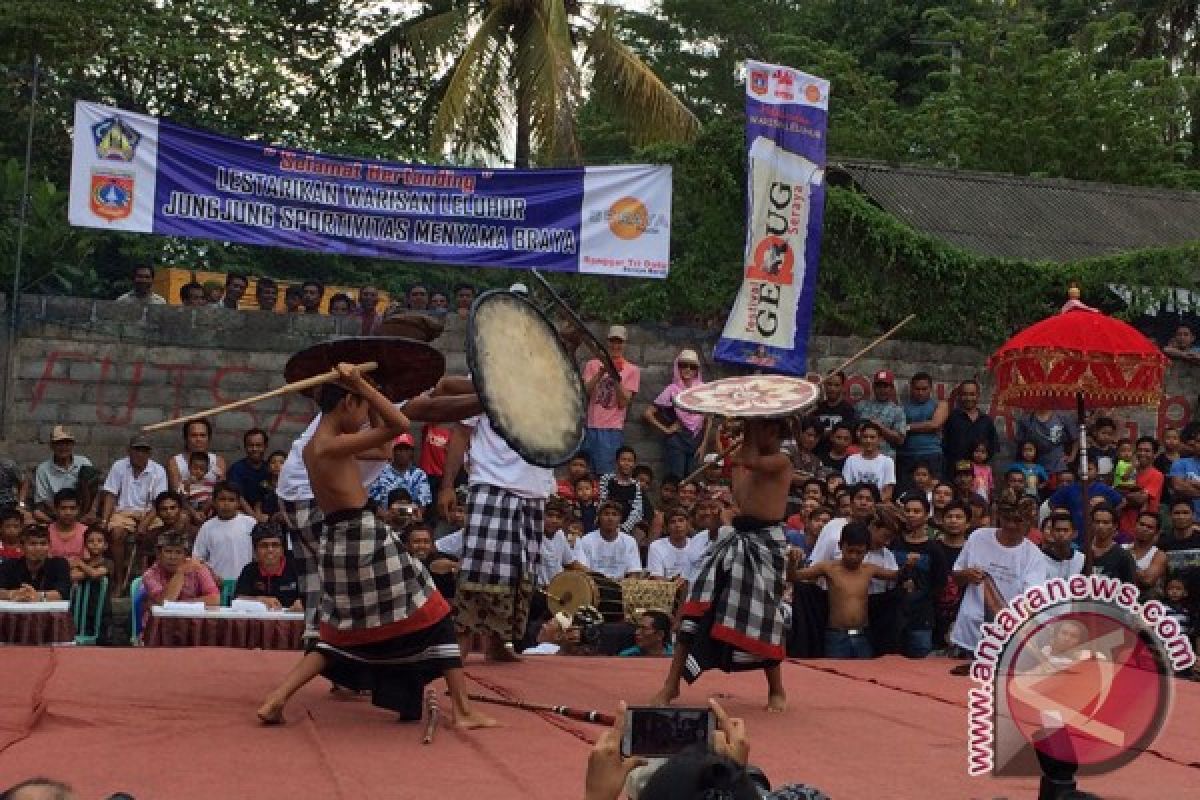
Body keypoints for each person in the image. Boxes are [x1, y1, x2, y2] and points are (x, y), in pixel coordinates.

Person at [257, 364, 495, 728]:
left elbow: (385, 446)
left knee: (335, 632)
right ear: (347, 403)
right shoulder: (332, 445)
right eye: (361, 407)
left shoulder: (312, 448)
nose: (366, 415)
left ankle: (277, 698)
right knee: (436, 609)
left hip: (338, 542)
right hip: (363, 536)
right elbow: (400, 427)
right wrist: (362, 386)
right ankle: (463, 711)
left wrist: (363, 390)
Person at [651, 417, 793, 712]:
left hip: (766, 543)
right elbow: (742, 495)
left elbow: (753, 460)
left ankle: (776, 689)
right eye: (759, 427)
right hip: (737, 538)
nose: (760, 433)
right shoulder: (743, 463)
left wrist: (747, 431)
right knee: (697, 609)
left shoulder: (781, 461)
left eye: (765, 427)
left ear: (777, 432)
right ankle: (671, 684)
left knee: (764, 615)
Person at [949, 489, 1048, 666]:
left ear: (1028, 523)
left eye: (1018, 521)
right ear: (999, 516)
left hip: (1003, 639)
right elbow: (956, 576)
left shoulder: (1033, 556)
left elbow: (1031, 601)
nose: (1011, 525)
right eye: (1007, 519)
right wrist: (967, 575)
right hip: (969, 632)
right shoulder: (978, 537)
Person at [789, 522, 904, 659]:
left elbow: (896, 576)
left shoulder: (869, 569)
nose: (854, 556)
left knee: (864, 676)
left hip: (863, 635)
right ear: (840, 546)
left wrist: (909, 565)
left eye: (859, 552)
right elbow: (794, 577)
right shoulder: (828, 568)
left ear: (867, 550)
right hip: (836, 636)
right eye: (850, 551)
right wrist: (792, 561)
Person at [97, 436, 169, 592]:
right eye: (137, 450)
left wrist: (144, 524)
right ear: (129, 451)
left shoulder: (158, 470)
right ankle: (119, 580)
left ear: (149, 453)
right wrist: (104, 520)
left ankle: (153, 582)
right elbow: (110, 494)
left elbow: (159, 502)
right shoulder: (119, 466)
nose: (140, 454)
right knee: (116, 534)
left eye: (144, 450)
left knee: (156, 535)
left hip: (151, 511)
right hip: (124, 511)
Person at [890, 494, 950, 658]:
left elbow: (940, 582)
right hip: (893, 615)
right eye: (908, 510)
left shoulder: (935, 549)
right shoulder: (893, 543)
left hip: (922, 617)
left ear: (926, 515)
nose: (911, 514)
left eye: (916, 511)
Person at [582, 325, 640, 475]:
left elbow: (623, 402)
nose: (616, 345)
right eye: (613, 341)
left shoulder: (632, 370)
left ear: (625, 344)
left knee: (606, 473)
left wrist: (615, 376)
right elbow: (585, 392)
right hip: (591, 425)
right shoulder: (592, 364)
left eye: (619, 342)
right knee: (586, 472)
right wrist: (601, 372)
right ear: (607, 342)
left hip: (612, 428)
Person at [644, 349, 707, 479]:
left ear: (697, 370)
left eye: (692, 366)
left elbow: (709, 417)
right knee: (676, 479)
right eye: (684, 365)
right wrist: (666, 430)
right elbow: (648, 413)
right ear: (678, 367)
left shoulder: (702, 389)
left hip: (696, 439)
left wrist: (703, 444)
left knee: (692, 480)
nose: (688, 369)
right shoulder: (672, 390)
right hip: (677, 439)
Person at [140, 531, 221, 625]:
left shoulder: (198, 568)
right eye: (168, 551)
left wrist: (179, 605)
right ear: (159, 554)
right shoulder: (150, 575)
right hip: (159, 626)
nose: (172, 557)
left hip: (193, 624)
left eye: (178, 552)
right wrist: (180, 573)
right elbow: (165, 603)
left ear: (185, 556)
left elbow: (214, 600)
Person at [191, 483, 256, 581]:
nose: (226, 504)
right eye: (222, 499)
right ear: (214, 502)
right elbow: (197, 558)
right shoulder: (207, 527)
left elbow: (258, 553)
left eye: (231, 500)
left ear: (238, 503)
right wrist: (211, 576)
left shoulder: (250, 523)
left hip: (246, 582)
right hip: (217, 583)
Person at [1047, 457, 1122, 542]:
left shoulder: (1104, 489)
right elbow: (1052, 503)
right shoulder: (1069, 489)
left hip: (1096, 533)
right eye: (1082, 468)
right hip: (1075, 533)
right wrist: (1063, 514)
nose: (1085, 471)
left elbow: (1121, 502)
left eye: (1089, 469)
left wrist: (1108, 510)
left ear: (1097, 471)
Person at [32, 426, 93, 523]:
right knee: (37, 513)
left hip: (80, 510)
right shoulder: (43, 469)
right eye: (59, 443)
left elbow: (92, 490)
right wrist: (64, 515)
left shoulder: (84, 462)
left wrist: (82, 513)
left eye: (67, 443)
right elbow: (44, 499)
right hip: (56, 511)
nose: (64, 447)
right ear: (51, 446)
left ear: (73, 445)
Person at [234, 523, 301, 610]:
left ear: (282, 549)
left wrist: (303, 602)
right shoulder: (249, 570)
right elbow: (237, 600)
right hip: (258, 622)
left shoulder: (297, 568)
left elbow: (314, 596)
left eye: (275, 545)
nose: (270, 550)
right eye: (264, 546)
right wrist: (260, 600)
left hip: (292, 621)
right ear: (255, 550)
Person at [899, 371, 948, 487]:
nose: (920, 392)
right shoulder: (902, 407)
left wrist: (908, 427)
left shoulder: (940, 405)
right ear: (911, 389)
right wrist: (926, 426)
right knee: (906, 490)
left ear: (931, 389)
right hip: (907, 455)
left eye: (924, 389)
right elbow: (898, 429)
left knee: (932, 490)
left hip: (931, 454)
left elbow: (935, 424)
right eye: (917, 389)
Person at [942, 379, 998, 478]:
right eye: (965, 394)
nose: (968, 398)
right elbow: (945, 446)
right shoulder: (952, 419)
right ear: (959, 396)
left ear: (978, 396)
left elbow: (993, 447)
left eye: (972, 394)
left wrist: (980, 464)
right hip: (956, 474)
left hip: (980, 475)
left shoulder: (986, 421)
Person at [0, 527, 71, 602]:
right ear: (21, 547)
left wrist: (39, 596)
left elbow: (63, 593)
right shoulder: (8, 565)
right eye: (32, 544)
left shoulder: (59, 564)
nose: (38, 548)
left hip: (49, 613)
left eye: (43, 544)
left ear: (49, 546)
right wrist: (12, 594)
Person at [577, 501, 643, 579]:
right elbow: (582, 571)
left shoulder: (629, 542)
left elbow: (634, 573)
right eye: (606, 514)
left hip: (621, 586)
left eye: (614, 514)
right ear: (599, 518)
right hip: (594, 586)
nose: (610, 518)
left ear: (620, 519)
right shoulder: (586, 540)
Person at [367, 433, 432, 512]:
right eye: (399, 449)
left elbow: (422, 506)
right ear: (393, 451)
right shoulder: (380, 472)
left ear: (412, 452)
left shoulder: (420, 475)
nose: (403, 453)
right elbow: (373, 502)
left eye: (406, 449)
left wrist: (401, 513)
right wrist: (387, 515)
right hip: (384, 518)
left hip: (410, 518)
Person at [854, 370, 907, 458]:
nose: (882, 390)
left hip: (886, 457)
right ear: (874, 387)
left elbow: (900, 439)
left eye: (885, 386)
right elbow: (851, 431)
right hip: (861, 457)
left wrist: (880, 427)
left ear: (891, 388)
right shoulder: (861, 406)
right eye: (879, 386)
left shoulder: (897, 411)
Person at [166, 419, 227, 495]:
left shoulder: (218, 461)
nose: (198, 439)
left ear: (209, 438)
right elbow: (176, 492)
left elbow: (222, 491)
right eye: (193, 435)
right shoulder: (175, 462)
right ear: (186, 438)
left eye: (202, 435)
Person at [841, 422, 895, 501]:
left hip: (877, 505)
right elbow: (846, 487)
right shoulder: (851, 460)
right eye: (865, 437)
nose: (868, 440)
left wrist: (871, 504)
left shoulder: (887, 461)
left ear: (880, 439)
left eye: (872, 437)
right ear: (860, 438)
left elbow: (888, 492)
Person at [1016, 409, 1077, 479]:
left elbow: (1075, 438)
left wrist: (1072, 456)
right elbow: (1020, 442)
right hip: (1035, 464)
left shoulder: (1063, 416)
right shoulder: (1027, 419)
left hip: (1058, 463)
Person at [598, 446, 645, 535]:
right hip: (608, 521)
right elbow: (602, 502)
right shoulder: (606, 479)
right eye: (623, 460)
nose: (626, 463)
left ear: (634, 464)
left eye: (630, 461)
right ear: (617, 462)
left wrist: (624, 528)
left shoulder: (635, 484)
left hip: (627, 527)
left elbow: (637, 510)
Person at [228, 428, 271, 520]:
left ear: (265, 446)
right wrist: (254, 517)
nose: (254, 449)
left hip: (266, 515)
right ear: (245, 447)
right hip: (243, 515)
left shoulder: (269, 469)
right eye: (251, 445)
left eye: (258, 445)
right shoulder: (237, 469)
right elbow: (238, 496)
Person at [1087, 503, 1136, 583]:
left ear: (1115, 526)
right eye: (1097, 522)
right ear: (1091, 524)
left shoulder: (1124, 557)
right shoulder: (1081, 553)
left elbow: (1129, 589)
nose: (1100, 526)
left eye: (1105, 522)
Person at [1125, 511, 1168, 600]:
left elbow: (1148, 580)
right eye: (1141, 524)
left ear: (1156, 532)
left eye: (1150, 527)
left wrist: (1127, 561)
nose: (1144, 529)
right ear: (1135, 525)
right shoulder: (1122, 548)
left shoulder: (1159, 555)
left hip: (1145, 603)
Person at [647, 507, 694, 579]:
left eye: (681, 521)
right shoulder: (656, 546)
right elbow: (656, 578)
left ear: (688, 525)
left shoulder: (695, 545)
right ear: (667, 528)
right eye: (673, 522)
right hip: (665, 588)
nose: (677, 525)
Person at [1041, 511, 1085, 580]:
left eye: (1066, 530)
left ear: (1074, 534)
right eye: (1058, 530)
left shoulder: (1081, 559)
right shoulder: (1040, 558)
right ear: (1051, 532)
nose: (1061, 534)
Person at [46, 489, 87, 561]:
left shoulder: (86, 532)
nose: (68, 513)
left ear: (78, 510)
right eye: (63, 508)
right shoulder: (46, 532)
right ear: (55, 509)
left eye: (73, 508)